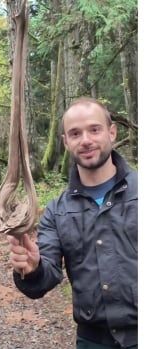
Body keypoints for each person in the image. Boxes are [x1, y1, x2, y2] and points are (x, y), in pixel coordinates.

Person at [8, 97, 137, 349]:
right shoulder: (57, 212)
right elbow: (44, 280)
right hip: (92, 340)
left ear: (111, 132)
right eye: (75, 133)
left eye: (94, 129)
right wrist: (33, 268)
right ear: (66, 142)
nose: (86, 140)